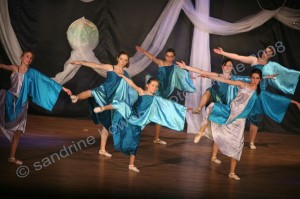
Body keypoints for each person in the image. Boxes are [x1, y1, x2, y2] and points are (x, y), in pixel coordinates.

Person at [93, 74, 187, 172]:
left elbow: (170, 105)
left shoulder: (156, 100)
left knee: (135, 142)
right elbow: (131, 83)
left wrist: (184, 109)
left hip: (139, 121)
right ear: (147, 85)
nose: (154, 88)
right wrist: (123, 76)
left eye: (156, 86)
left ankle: (131, 165)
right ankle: (102, 108)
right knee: (122, 104)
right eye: (152, 85)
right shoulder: (142, 92)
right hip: (131, 114)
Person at [214, 47, 300, 149]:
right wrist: (223, 52)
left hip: (260, 93)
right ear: (263, 51)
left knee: (256, 118)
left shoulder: (271, 66)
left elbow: (285, 72)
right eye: (265, 51)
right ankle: (228, 137)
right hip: (248, 90)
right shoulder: (253, 60)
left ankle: (251, 142)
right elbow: (238, 57)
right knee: (238, 112)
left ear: (271, 56)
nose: (266, 54)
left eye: (269, 53)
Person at [0, 51, 72, 165]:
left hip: (22, 103)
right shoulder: (15, 68)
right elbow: (3, 65)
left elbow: (47, 81)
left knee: (17, 132)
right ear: (22, 57)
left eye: (31, 58)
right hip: (10, 100)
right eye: (27, 56)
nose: (29, 59)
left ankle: (12, 157)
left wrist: (64, 89)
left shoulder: (32, 73)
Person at [70, 51, 138, 157]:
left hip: (112, 100)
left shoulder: (126, 74)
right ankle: (77, 97)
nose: (123, 61)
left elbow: (130, 87)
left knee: (107, 125)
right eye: (121, 59)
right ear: (117, 58)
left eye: (125, 60)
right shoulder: (110, 67)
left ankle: (102, 149)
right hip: (104, 92)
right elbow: (95, 65)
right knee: (91, 92)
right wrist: (80, 62)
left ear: (127, 62)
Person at [190, 58, 250, 164]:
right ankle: (199, 108)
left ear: (232, 68)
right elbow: (200, 71)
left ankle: (213, 156)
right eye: (226, 65)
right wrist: (186, 67)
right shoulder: (217, 76)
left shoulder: (236, 79)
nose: (228, 67)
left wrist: (267, 77)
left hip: (225, 106)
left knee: (218, 133)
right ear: (222, 66)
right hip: (215, 100)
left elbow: (251, 79)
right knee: (210, 90)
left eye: (230, 65)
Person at [136, 46, 195, 145]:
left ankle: (156, 138)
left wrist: (190, 77)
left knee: (160, 112)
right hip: (157, 90)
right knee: (147, 110)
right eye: (167, 56)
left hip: (166, 92)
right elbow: (152, 57)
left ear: (174, 57)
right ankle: (136, 132)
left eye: (171, 56)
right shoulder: (161, 63)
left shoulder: (175, 68)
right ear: (165, 56)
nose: (169, 58)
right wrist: (143, 51)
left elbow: (183, 75)